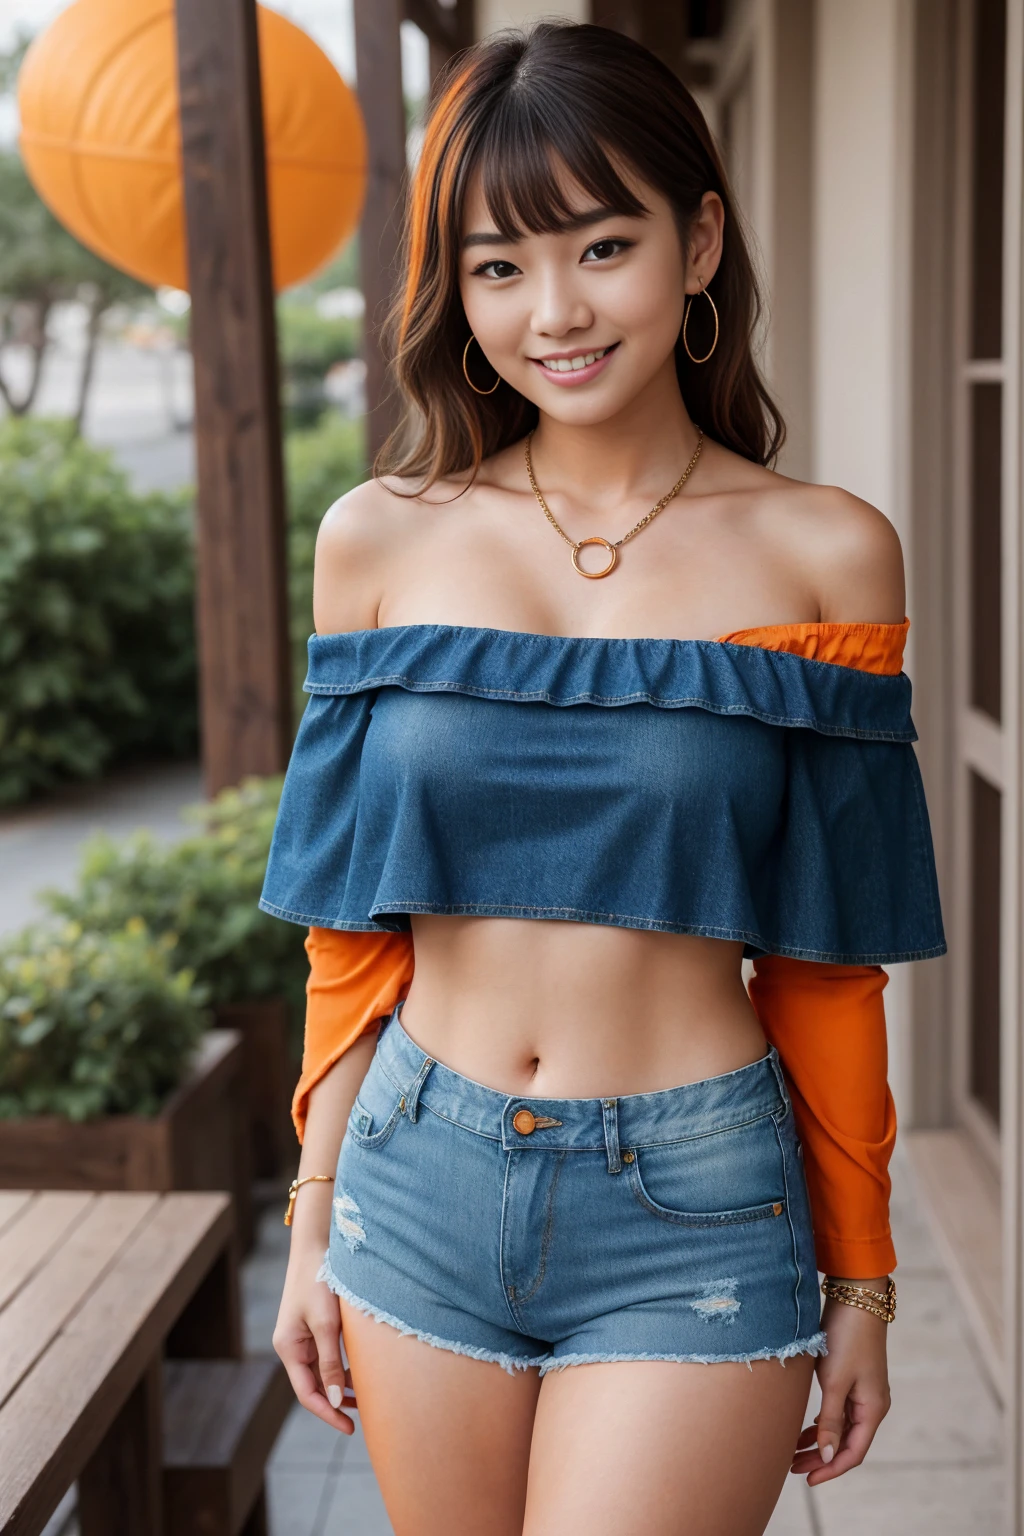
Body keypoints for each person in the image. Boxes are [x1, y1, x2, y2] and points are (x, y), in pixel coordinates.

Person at [263, 22, 944, 1535]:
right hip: (416, 1177)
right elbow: (350, 933)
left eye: (604, 245)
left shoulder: (825, 550)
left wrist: (866, 1283)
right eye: (498, 265)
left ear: (699, 241)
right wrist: (310, 1225)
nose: (552, 312)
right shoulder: (379, 539)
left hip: (693, 1202)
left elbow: (829, 968)